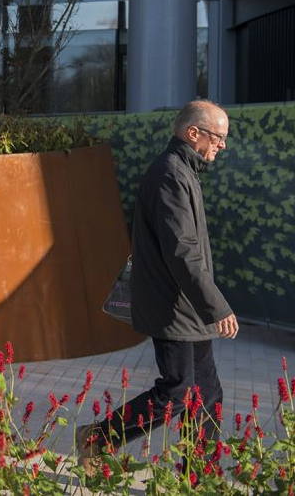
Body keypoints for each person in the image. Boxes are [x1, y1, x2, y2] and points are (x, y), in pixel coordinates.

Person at [77, 100, 238, 475]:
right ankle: (97, 438)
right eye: (218, 136)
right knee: (177, 394)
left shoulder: (183, 171)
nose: (223, 145)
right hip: (175, 308)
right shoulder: (170, 174)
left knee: (206, 394)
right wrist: (217, 306)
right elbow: (182, 252)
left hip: (186, 308)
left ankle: (198, 477)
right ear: (192, 133)